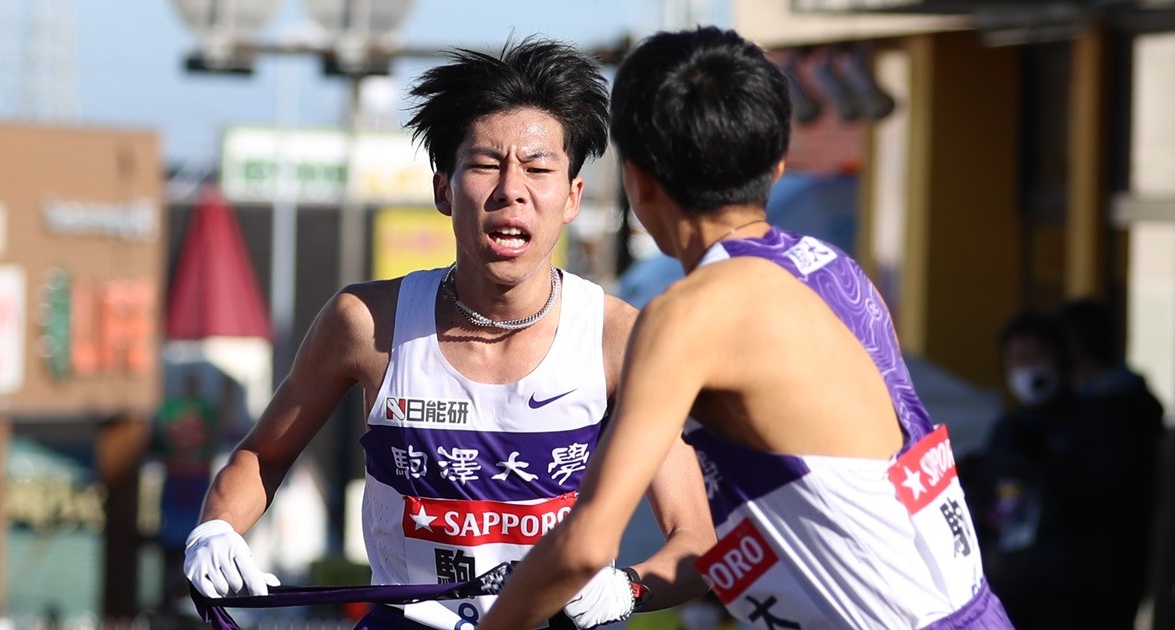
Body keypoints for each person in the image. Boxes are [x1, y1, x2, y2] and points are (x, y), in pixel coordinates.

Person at [481, 27, 1011, 629]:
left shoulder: (691, 314)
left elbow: (584, 544)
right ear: (779, 162)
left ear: (639, 179)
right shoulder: (829, 269)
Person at [182, 38, 715, 630]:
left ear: (571, 198)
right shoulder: (366, 322)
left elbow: (695, 541)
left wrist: (626, 590)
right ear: (443, 189)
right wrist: (215, 528)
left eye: (538, 169)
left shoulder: (620, 337)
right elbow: (263, 455)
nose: (511, 189)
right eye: (486, 164)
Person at [962, 313, 1109, 628]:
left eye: (1036, 354)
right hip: (1008, 585)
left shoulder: (1092, 422)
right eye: (1017, 358)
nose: (1027, 366)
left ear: (1060, 358)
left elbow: (1100, 495)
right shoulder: (1008, 428)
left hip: (1068, 592)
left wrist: (1041, 468)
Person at [1053, 298, 1165, 627]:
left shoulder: (1105, 414)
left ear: (1074, 348)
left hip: (1099, 569)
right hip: (1128, 561)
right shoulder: (1135, 402)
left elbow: (1095, 491)